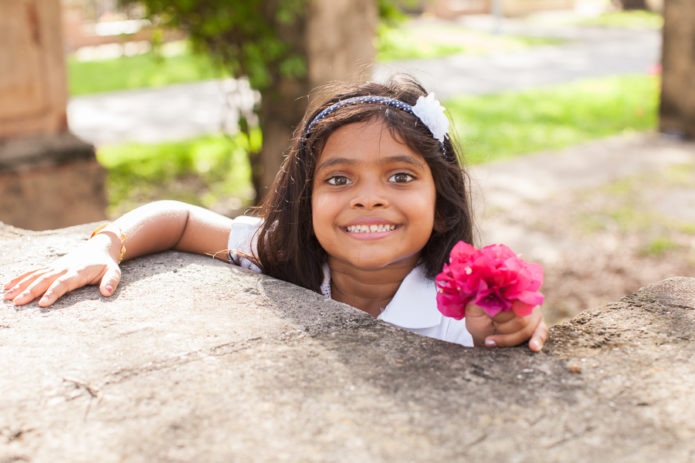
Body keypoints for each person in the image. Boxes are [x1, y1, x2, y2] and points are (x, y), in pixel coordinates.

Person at [3, 75, 548, 351]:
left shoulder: (463, 306)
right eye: (338, 179)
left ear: (443, 203)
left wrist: (510, 326)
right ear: (303, 201)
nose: (369, 197)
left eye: (400, 176)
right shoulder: (280, 253)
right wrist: (103, 245)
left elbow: (510, 339)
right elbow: (179, 218)